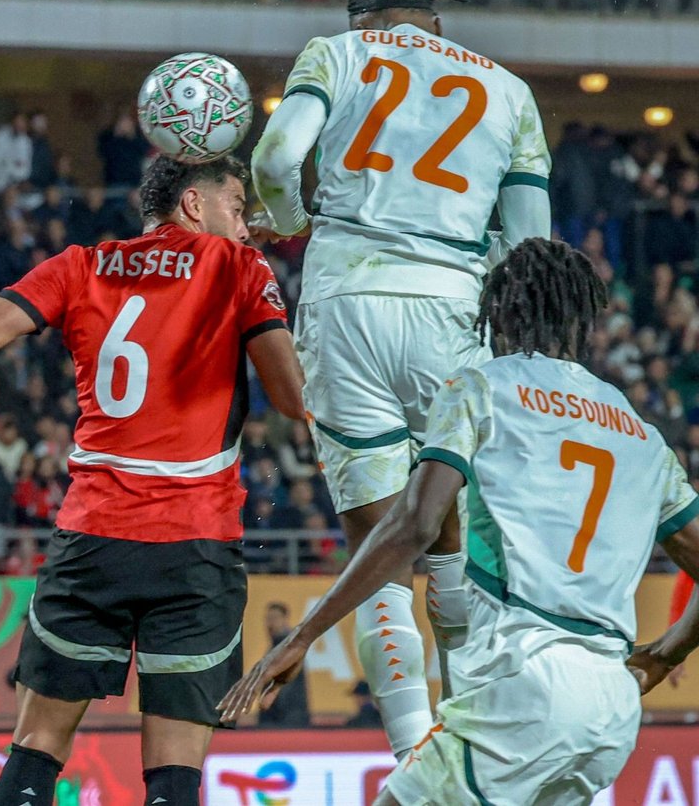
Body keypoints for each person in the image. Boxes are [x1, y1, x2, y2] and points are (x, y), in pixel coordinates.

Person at [0, 155, 305, 806]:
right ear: (194, 205)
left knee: (32, 759)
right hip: (194, 548)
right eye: (236, 207)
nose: (246, 226)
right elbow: (292, 398)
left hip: (93, 544)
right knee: (174, 782)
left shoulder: (82, 265)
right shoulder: (238, 267)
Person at [221, 240, 699, 806]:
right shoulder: (640, 433)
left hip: (525, 686)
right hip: (612, 710)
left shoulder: (481, 387)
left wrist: (303, 636)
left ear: (498, 313)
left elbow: (415, 525)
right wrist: (666, 654)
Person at [248, 0, 552, 758]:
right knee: (447, 537)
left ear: (368, 18)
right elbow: (531, 245)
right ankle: (471, 744)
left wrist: (291, 220)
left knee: (377, 547)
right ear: (435, 20)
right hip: (454, 306)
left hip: (346, 301)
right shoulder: (509, 92)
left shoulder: (337, 54)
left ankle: (411, 755)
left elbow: (274, 161)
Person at [255, 602, 309, 729]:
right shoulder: (277, 645)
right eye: (268, 619)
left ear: (285, 619)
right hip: (282, 716)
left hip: (285, 718)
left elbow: (287, 685)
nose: (270, 623)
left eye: (275, 618)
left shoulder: (288, 646)